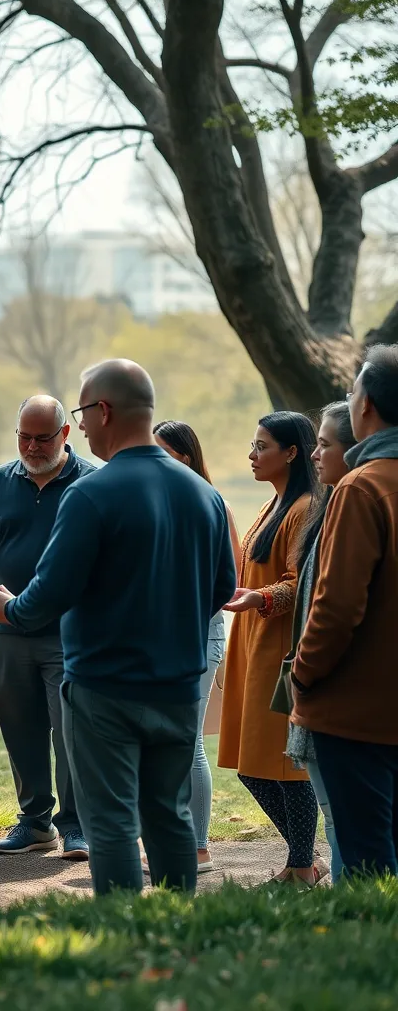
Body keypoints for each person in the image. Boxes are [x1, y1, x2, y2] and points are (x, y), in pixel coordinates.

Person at [0, 359, 236, 896]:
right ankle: (176, 922)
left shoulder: (91, 492)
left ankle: (122, 930)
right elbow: (219, 591)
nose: (84, 426)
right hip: (180, 683)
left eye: (82, 414)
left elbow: (53, 588)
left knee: (111, 817)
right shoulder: (204, 495)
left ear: (103, 411)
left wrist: (13, 613)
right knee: (169, 812)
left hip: (105, 684)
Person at [0, 396, 93, 859]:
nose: (32, 447)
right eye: (24, 437)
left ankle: (77, 825)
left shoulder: (91, 483)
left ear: (65, 435)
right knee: (21, 729)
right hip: (8, 632)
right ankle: (35, 823)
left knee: (70, 731)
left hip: (68, 634)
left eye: (42, 438)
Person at [292, 345, 398, 878]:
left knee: (366, 861)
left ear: (367, 407)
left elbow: (336, 608)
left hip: (359, 714)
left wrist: (303, 674)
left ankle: (365, 958)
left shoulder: (363, 486)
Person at [217, 411, 326, 887]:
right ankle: (304, 860)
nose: (252, 454)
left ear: (292, 453)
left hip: (278, 651)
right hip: (252, 645)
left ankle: (302, 864)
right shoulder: (272, 504)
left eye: (262, 446)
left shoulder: (303, 508)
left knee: (281, 765)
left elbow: (299, 582)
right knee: (251, 764)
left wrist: (260, 598)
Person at [269, 401, 356, 883]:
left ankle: (353, 903)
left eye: (324, 444)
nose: (315, 454)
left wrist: (301, 672)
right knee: (337, 808)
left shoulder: (350, 500)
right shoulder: (326, 502)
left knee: (343, 810)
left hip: (324, 680)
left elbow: (337, 605)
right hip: (310, 673)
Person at [154, 420, 242, 874]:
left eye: (162, 452)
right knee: (162, 742)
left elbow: (232, 582)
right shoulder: (152, 505)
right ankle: (168, 839)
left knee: (189, 745)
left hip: (199, 637)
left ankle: (199, 847)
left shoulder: (213, 505)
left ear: (185, 457)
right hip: (156, 642)